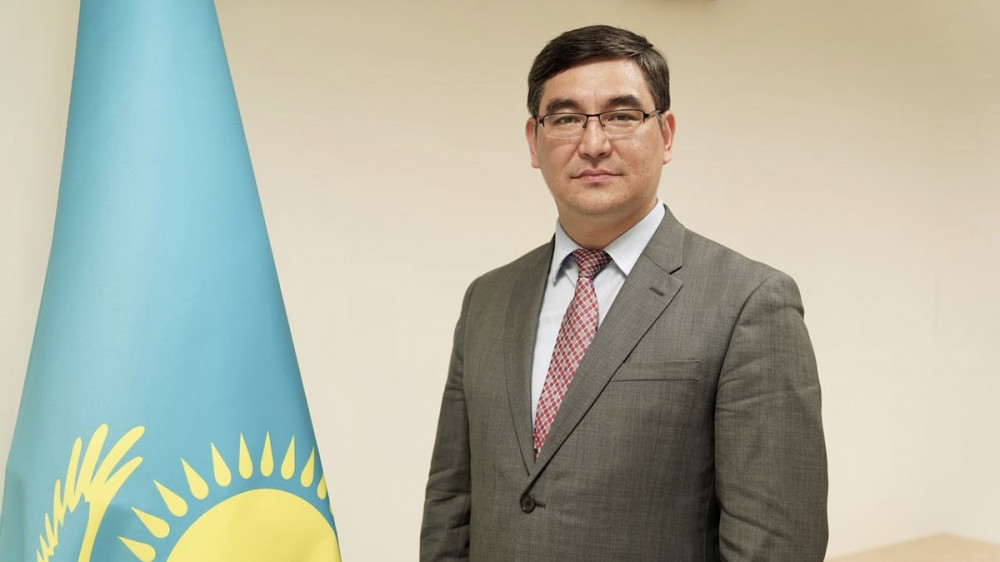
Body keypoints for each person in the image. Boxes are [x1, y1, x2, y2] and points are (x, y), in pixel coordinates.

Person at [421, 24, 828, 561]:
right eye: (566, 119)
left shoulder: (749, 302)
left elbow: (773, 543)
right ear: (534, 142)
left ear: (667, 135)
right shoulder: (487, 299)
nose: (593, 144)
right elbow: (450, 506)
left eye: (621, 116)